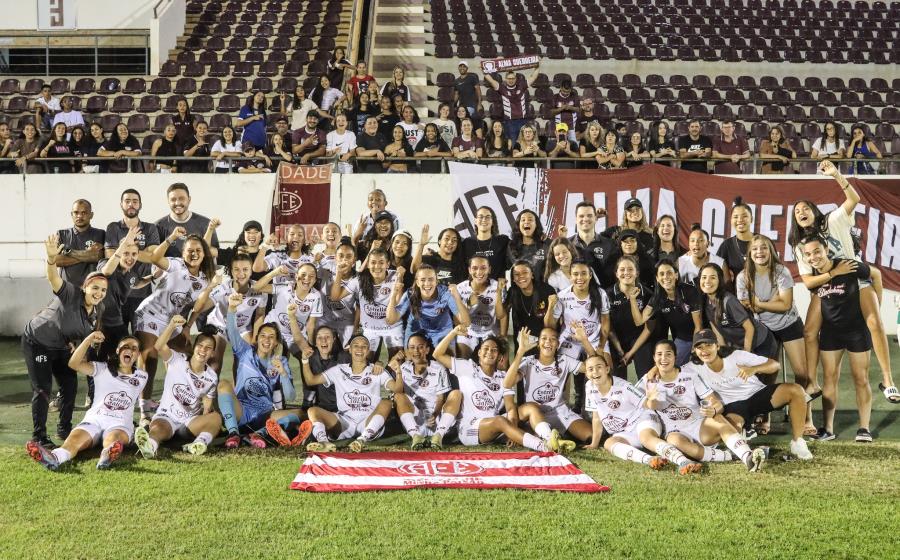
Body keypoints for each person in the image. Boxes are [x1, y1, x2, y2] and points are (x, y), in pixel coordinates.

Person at [790, 160, 896, 403]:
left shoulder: (832, 221)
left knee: (874, 322)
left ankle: (888, 380)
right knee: (809, 332)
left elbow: (854, 199)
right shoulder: (800, 246)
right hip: (827, 284)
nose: (801, 212)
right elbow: (808, 282)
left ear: (814, 211)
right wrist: (830, 275)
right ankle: (812, 383)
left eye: (805, 208)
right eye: (797, 212)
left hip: (852, 277)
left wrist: (836, 174)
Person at [429, 325, 574, 452]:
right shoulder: (467, 367)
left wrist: (512, 428)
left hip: (497, 425)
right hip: (470, 429)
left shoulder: (503, 377)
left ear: (499, 356)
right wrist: (453, 333)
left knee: (530, 407)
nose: (489, 352)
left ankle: (550, 438)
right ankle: (543, 446)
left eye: (494, 350)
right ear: (479, 352)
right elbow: (437, 354)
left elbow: (511, 408)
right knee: (497, 419)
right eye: (485, 349)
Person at [23, 235, 108, 447]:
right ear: (85, 287)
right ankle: (39, 436)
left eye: (103, 290)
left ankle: (64, 429)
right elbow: (53, 278)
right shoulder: (70, 293)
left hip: (61, 346)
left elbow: (83, 330)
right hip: (38, 341)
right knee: (43, 387)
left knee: (70, 386)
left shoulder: (99, 309)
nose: (99, 293)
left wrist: (77, 342)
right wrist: (52, 260)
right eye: (95, 288)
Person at [26, 332, 147, 471]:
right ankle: (54, 458)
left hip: (120, 423)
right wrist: (88, 339)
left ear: (138, 355)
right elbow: (74, 363)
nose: (130, 350)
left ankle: (107, 455)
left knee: (113, 439)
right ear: (118, 351)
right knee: (75, 438)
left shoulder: (142, 377)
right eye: (126, 346)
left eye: (134, 348)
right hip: (95, 419)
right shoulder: (102, 368)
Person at [641, 340, 768, 471]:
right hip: (675, 432)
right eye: (659, 354)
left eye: (668, 354)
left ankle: (747, 456)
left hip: (700, 427)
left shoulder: (689, 376)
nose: (663, 358)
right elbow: (647, 403)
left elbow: (717, 403)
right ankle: (730, 455)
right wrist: (650, 400)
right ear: (654, 357)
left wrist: (713, 410)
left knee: (717, 418)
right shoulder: (649, 380)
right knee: (675, 442)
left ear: (675, 356)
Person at [689, 330, 814, 460]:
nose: (704, 350)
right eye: (699, 347)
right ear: (694, 351)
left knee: (796, 390)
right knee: (729, 432)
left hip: (757, 394)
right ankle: (743, 433)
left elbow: (775, 365)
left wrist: (754, 369)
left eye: (709, 345)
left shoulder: (736, 356)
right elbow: (673, 373)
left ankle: (798, 443)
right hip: (733, 406)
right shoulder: (693, 367)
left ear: (717, 346)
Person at [737, 234, 817, 435]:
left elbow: (785, 304)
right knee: (768, 373)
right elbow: (744, 305)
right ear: (749, 254)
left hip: (789, 324)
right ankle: (766, 415)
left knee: (802, 373)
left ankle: (806, 416)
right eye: (755, 249)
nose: (759, 252)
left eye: (764, 248)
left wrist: (759, 304)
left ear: (771, 251)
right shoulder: (743, 276)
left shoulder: (781, 271)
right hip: (764, 328)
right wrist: (772, 302)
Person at [135, 231, 218, 420]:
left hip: (171, 320)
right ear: (183, 253)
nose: (194, 254)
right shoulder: (176, 264)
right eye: (189, 250)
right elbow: (155, 258)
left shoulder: (205, 279)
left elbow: (196, 308)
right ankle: (144, 411)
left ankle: (186, 401)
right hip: (150, 313)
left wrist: (188, 327)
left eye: (198, 250)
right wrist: (171, 238)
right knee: (150, 355)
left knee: (189, 354)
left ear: (204, 254)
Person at [800, 236, 874, 442]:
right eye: (808, 254)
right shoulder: (814, 277)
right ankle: (828, 429)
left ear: (826, 249)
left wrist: (874, 311)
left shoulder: (848, 265)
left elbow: (874, 274)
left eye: (817, 251)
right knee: (829, 379)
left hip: (857, 331)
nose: (813, 257)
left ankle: (864, 428)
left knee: (861, 378)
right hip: (831, 332)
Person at [584, 353, 701, 474]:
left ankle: (683, 461)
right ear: (586, 373)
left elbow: (647, 404)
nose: (595, 372)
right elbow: (596, 417)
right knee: (609, 443)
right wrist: (594, 444)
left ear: (607, 369)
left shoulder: (624, 387)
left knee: (646, 438)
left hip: (643, 419)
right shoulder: (589, 387)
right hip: (624, 431)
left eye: (599, 367)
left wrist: (652, 398)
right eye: (590, 369)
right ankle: (650, 460)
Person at [218, 292, 307, 449]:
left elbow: (291, 395)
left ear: (276, 342)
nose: (266, 339)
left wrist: (284, 375)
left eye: (271, 337)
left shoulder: (281, 362)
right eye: (263, 335)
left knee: (299, 414)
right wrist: (232, 308)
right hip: (242, 410)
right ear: (257, 338)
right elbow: (232, 333)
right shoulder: (244, 351)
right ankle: (233, 433)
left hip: (265, 415)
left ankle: (259, 434)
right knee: (223, 384)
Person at [133, 315, 221, 458]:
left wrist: (206, 422)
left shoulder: (211, 377)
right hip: (167, 416)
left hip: (189, 423)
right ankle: (150, 446)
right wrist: (172, 325)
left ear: (211, 353)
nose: (203, 350)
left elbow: (207, 407)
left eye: (208, 348)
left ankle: (198, 444)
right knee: (157, 428)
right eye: (200, 346)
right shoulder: (177, 360)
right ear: (194, 346)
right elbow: (159, 346)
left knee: (216, 418)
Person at [299, 334, 400, 452]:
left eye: (364, 346)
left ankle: (362, 440)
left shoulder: (376, 370)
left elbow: (397, 389)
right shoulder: (339, 369)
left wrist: (398, 371)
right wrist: (305, 360)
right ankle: (324, 443)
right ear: (350, 350)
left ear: (368, 351)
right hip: (344, 422)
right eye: (356, 346)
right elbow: (311, 381)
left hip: (368, 421)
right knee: (313, 411)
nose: (360, 349)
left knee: (386, 403)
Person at [505, 327, 594, 444]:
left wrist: (585, 340)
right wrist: (520, 351)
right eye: (544, 338)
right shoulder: (528, 361)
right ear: (538, 343)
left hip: (559, 412)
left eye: (553, 339)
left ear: (558, 344)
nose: (548, 342)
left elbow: (595, 366)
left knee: (590, 435)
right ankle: (549, 438)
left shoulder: (565, 361)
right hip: (534, 412)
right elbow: (507, 383)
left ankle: (553, 434)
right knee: (532, 408)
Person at [196, 252, 268, 373]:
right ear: (231, 271)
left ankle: (239, 391)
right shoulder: (223, 289)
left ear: (251, 271)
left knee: (246, 362)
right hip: (220, 325)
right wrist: (210, 286)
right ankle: (210, 391)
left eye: (245, 269)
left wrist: (255, 338)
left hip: (242, 327)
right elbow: (201, 307)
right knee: (214, 364)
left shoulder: (260, 290)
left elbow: (260, 315)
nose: (241, 273)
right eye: (236, 269)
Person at [105, 189, 160, 335]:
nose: (131, 204)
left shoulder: (150, 228)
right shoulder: (113, 227)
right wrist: (134, 249)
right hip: (116, 295)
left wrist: (126, 249)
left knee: (141, 338)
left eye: (135, 201)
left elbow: (153, 257)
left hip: (142, 295)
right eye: (127, 201)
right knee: (117, 340)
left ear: (140, 205)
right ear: (121, 204)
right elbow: (110, 255)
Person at [332, 247, 403, 359]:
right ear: (368, 264)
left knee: (398, 361)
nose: (377, 266)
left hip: (391, 327)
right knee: (365, 364)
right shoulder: (360, 280)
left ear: (388, 264)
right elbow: (335, 297)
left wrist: (401, 278)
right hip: (370, 329)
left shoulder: (395, 276)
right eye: (373, 262)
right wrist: (339, 273)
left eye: (381, 262)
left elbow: (398, 304)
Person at [698, 263, 777, 358]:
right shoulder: (705, 302)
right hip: (742, 346)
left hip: (762, 343)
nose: (707, 281)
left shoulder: (728, 300)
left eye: (713, 277)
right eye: (704, 277)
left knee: (756, 372)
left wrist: (746, 355)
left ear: (720, 280)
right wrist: (723, 355)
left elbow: (749, 328)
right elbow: (718, 332)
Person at [390, 333, 452, 449]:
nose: (416, 351)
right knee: (398, 396)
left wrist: (434, 414)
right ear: (407, 350)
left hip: (434, 417)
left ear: (427, 350)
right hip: (414, 418)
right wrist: (394, 363)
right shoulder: (403, 368)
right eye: (412, 347)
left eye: (420, 347)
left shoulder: (439, 368)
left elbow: (440, 398)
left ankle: (438, 435)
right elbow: (393, 387)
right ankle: (415, 436)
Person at [388, 264, 470, 348]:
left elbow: (466, 322)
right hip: (416, 329)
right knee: (412, 358)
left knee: (446, 358)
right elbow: (391, 320)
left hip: (441, 330)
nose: (427, 283)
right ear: (417, 282)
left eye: (431, 279)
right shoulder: (410, 294)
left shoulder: (445, 293)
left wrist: (457, 297)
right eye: (423, 280)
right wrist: (393, 294)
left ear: (436, 281)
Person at [644, 259, 703, 366]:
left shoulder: (689, 291)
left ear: (676, 275)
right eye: (661, 274)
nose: (665, 277)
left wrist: (694, 351)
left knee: (698, 365)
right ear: (657, 278)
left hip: (700, 336)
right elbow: (639, 321)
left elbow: (698, 326)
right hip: (682, 339)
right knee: (668, 365)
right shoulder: (658, 298)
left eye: (669, 273)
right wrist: (633, 299)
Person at [256, 263, 322, 357]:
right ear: (296, 276)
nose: (307, 278)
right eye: (303, 274)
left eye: (311, 276)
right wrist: (275, 272)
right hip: (273, 330)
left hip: (294, 335)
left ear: (315, 280)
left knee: (309, 356)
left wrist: (311, 346)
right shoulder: (285, 287)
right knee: (275, 358)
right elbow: (257, 287)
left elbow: (311, 326)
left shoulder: (316, 296)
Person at [607, 255, 655, 378]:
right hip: (616, 339)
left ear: (637, 273)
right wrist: (619, 349)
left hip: (640, 339)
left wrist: (631, 352)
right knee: (616, 380)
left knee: (646, 378)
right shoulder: (607, 294)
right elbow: (608, 326)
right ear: (616, 273)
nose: (626, 273)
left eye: (630, 269)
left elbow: (649, 328)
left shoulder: (647, 294)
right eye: (622, 269)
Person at [455, 256, 506, 358]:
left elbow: (501, 315)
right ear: (469, 270)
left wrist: (503, 336)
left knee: (501, 364)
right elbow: (457, 321)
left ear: (489, 269)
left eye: (483, 268)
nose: (479, 272)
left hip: (490, 332)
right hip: (468, 332)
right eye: (474, 268)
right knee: (462, 359)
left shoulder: (497, 286)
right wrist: (469, 305)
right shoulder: (459, 288)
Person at [155, 183, 220, 258]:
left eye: (181, 198)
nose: (177, 203)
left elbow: (214, 255)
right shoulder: (158, 226)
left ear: (189, 199)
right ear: (168, 201)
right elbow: (154, 257)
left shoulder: (206, 224)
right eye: (173, 199)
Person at [564, 201, 615, 288]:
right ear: (576, 219)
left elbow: (614, 277)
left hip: (602, 296)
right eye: (581, 216)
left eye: (589, 215)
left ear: (596, 218)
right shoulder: (567, 245)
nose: (585, 219)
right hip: (574, 298)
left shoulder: (610, 245)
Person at [55, 199, 105, 287]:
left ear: (91, 215)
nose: (79, 216)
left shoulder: (100, 234)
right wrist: (89, 254)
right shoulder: (62, 234)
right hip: (67, 289)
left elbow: (99, 256)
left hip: (92, 289)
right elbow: (56, 261)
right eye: (76, 212)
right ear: (71, 214)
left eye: (84, 213)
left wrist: (69, 253)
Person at [484, 65, 540, 141]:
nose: (511, 80)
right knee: (513, 144)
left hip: (523, 120)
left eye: (513, 78)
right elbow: (491, 80)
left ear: (516, 79)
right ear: (506, 79)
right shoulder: (502, 88)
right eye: (509, 78)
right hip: (510, 122)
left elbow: (533, 77)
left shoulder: (521, 86)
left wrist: (537, 66)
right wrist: (483, 69)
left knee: (524, 142)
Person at [303, 325, 347, 409]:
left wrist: (378, 363)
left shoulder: (344, 357)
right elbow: (309, 385)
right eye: (319, 337)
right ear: (315, 342)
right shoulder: (311, 358)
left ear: (334, 339)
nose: (323, 340)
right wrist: (306, 405)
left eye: (327, 336)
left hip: (343, 407)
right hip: (321, 407)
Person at [461, 206, 510, 280]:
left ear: (493, 221)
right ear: (475, 221)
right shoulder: (467, 243)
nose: (484, 219)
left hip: (497, 289)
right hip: (473, 290)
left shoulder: (503, 241)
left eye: (488, 217)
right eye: (480, 217)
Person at [716, 198, 754, 279]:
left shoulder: (764, 242)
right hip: (734, 291)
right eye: (736, 217)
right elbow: (714, 270)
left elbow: (775, 270)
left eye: (744, 216)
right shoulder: (726, 245)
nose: (740, 220)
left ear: (752, 219)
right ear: (731, 220)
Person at [507, 209, 548, 276]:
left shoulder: (545, 245)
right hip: (519, 284)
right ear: (518, 225)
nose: (526, 222)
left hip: (541, 285)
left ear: (536, 225)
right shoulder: (511, 246)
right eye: (523, 220)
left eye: (530, 220)